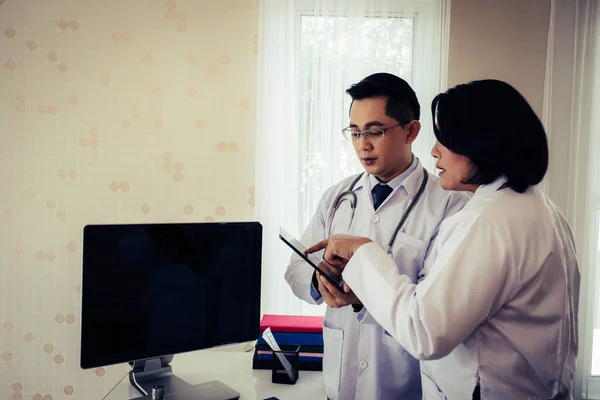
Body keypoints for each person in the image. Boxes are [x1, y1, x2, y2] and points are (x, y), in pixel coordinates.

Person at [307, 79, 580, 399]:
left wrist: (365, 252)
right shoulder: (537, 209)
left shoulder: (490, 222)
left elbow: (425, 331)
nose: (435, 150)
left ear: (483, 144)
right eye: (355, 132)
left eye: (445, 140)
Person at [284, 72, 469, 400]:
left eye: (375, 131)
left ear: (411, 130)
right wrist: (319, 281)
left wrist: (369, 292)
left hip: (404, 386)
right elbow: (296, 269)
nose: (362, 145)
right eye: (354, 133)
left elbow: (438, 307)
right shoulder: (337, 196)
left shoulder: (450, 206)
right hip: (339, 386)